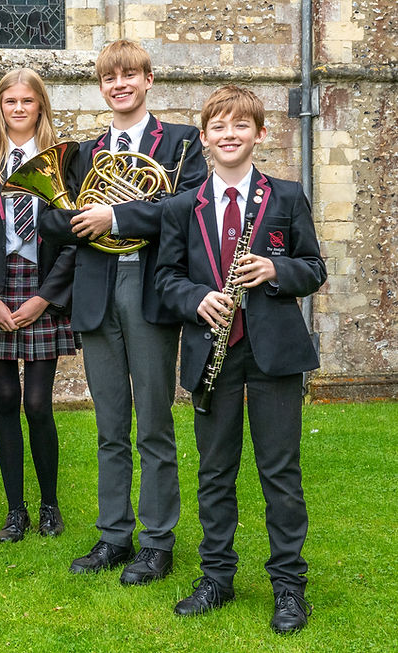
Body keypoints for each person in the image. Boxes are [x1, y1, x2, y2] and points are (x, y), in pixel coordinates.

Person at [155, 85, 325, 634]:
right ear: (204, 139)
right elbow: (165, 280)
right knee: (214, 470)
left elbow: (314, 267)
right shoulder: (184, 206)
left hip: (273, 352)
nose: (230, 136)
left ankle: (289, 587)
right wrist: (195, 298)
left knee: (280, 471)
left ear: (259, 134)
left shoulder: (287, 196)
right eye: (219, 128)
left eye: (241, 127)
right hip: (213, 352)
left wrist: (278, 272)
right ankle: (217, 577)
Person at [38, 39, 208, 584]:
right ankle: (114, 534)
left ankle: (158, 541)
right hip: (96, 288)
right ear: (102, 86)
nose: (120, 85)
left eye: (130, 75)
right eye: (111, 78)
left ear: (149, 79)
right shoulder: (84, 152)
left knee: (153, 423)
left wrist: (118, 217)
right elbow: (47, 220)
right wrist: (83, 221)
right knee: (110, 425)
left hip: (149, 285)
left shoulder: (181, 143)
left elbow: (186, 206)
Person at [0, 68, 77, 543]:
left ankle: (49, 505)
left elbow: (76, 234)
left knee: (36, 403)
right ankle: (16, 509)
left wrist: (46, 297)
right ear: (0, 107)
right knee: (6, 399)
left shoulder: (66, 160)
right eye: (9, 101)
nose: (18, 109)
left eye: (27, 101)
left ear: (40, 106)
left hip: (42, 283)